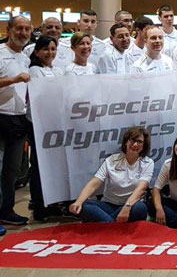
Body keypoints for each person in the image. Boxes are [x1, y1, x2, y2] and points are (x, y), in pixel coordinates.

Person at [68, 127, 153, 223]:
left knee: (140, 208)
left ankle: (106, 224)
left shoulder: (148, 163)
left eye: (139, 142)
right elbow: (94, 183)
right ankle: (114, 225)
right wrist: (78, 202)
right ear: (126, 142)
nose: (135, 144)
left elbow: (141, 189)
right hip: (108, 205)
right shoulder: (112, 160)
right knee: (84, 205)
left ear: (144, 146)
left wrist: (127, 207)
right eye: (132, 140)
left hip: (131, 205)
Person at [0, 16, 33, 230]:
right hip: (0, 115)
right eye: (19, 28)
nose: (23, 33)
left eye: (27, 29)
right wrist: (13, 80)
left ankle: (6, 211)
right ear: (9, 30)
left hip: (18, 118)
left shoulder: (25, 58)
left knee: (11, 170)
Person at [27, 35, 64, 221]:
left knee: (53, 165)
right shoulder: (34, 71)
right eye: (46, 49)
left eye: (53, 49)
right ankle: (39, 205)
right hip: (38, 124)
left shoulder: (58, 70)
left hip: (55, 123)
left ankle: (53, 202)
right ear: (37, 52)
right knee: (39, 165)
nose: (50, 53)